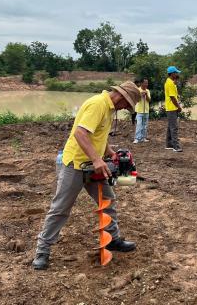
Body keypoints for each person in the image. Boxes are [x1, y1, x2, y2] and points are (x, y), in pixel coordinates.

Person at [32, 81, 141, 270]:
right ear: (122, 97)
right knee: (60, 209)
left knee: (108, 200)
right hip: (74, 165)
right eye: (127, 105)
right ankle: (42, 251)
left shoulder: (108, 110)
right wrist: (98, 160)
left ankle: (113, 239)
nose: (125, 108)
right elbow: (80, 134)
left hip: (92, 165)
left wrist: (109, 153)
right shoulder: (97, 104)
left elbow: (98, 136)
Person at [165, 66, 183, 152]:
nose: (177, 74)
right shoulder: (170, 83)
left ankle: (169, 144)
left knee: (170, 126)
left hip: (170, 107)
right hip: (172, 107)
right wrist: (178, 107)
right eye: (176, 73)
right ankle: (176, 146)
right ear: (172, 74)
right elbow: (172, 97)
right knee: (174, 127)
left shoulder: (170, 82)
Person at [133, 79, 151, 143]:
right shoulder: (137, 90)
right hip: (139, 110)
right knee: (139, 124)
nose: (146, 84)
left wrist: (146, 95)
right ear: (141, 83)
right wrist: (141, 95)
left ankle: (143, 138)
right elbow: (136, 99)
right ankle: (137, 138)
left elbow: (149, 100)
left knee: (145, 125)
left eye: (147, 83)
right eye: (145, 83)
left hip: (146, 110)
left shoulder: (148, 91)